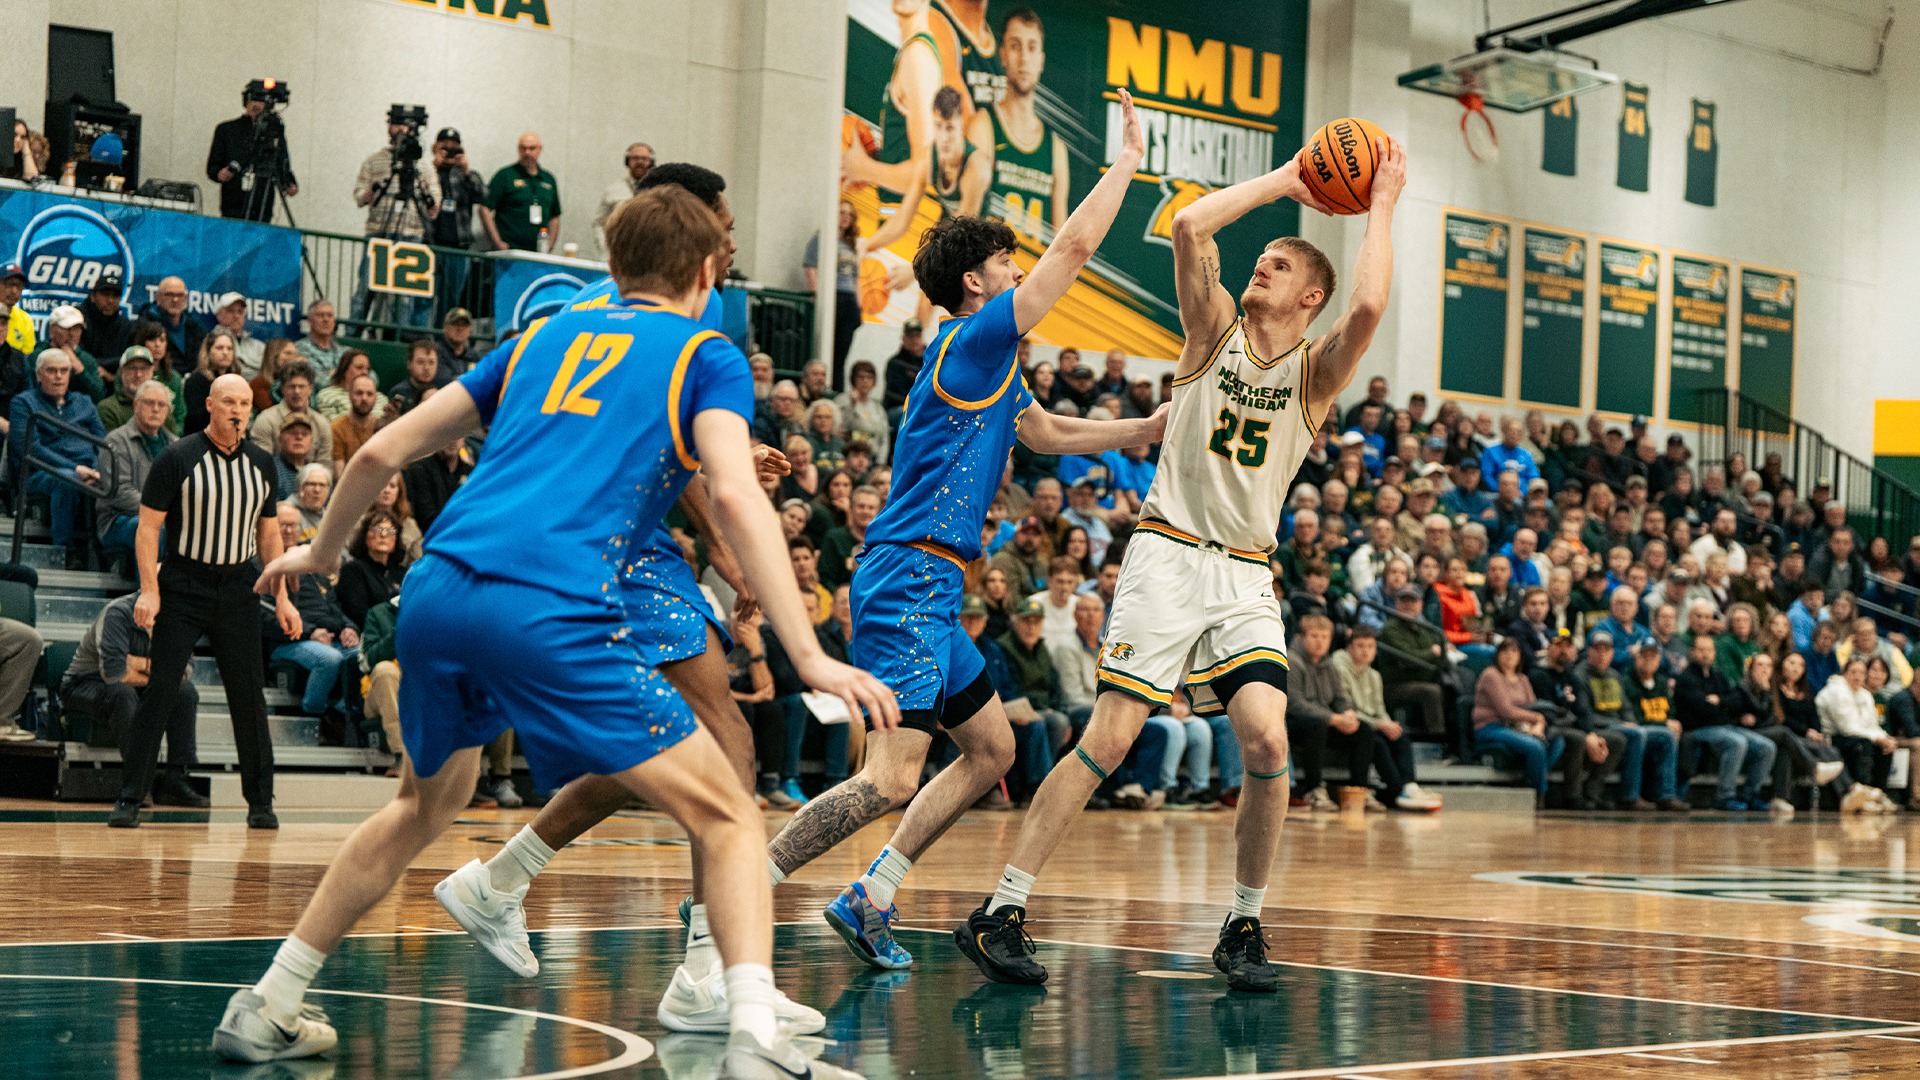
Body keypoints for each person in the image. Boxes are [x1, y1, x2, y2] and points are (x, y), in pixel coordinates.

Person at [212, 187, 891, 1077]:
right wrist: (808, 652)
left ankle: (271, 1001)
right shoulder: (706, 352)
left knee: (424, 803)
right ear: (704, 273)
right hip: (548, 603)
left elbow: (379, 452)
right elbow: (733, 493)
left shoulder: (539, 337)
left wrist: (321, 554)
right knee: (728, 810)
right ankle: (753, 1038)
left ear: (613, 268)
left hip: (439, 590)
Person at [955, 125, 1404, 992]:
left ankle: (1243, 924)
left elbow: (1372, 308)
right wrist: (1285, 180)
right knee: (1112, 737)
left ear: (1311, 296)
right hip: (1165, 553)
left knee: (1268, 741)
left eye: (1277, 265)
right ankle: (1002, 907)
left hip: (1243, 573)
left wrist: (1380, 202)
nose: (1259, 270)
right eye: (1261, 260)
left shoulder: (1313, 377)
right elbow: (1192, 228)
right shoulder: (1212, 333)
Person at [756, 94, 1164, 981]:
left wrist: (1139, 431)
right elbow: (1076, 249)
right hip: (908, 577)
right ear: (977, 283)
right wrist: (1127, 164)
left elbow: (1046, 435)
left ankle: (873, 892)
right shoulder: (973, 341)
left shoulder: (996, 370)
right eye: (1007, 266)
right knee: (893, 775)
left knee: (993, 750)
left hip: (935, 590)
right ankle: (742, 884)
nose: (1023, 275)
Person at [111, 374, 294, 830]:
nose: (237, 410)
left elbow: (269, 533)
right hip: (184, 583)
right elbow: (149, 527)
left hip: (238, 587)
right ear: (210, 405)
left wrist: (283, 595)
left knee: (248, 696)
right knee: (161, 690)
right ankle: (131, 795)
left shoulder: (263, 463)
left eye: (245, 403)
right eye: (229, 401)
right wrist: (150, 589)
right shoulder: (178, 456)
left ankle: (260, 802)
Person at [61, 592, 201, 801]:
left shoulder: (179, 618)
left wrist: (141, 664)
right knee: (123, 693)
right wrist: (162, 671)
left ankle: (177, 778)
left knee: (186, 693)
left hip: (135, 682)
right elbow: (115, 673)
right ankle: (137, 783)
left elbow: (183, 672)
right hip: (85, 682)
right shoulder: (118, 613)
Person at [10, 350, 107, 567]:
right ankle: (64, 551)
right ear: (38, 375)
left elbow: (103, 442)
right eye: (51, 371)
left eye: (64, 371)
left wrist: (97, 469)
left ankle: (105, 553)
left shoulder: (84, 402)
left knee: (117, 480)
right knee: (67, 478)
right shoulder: (23, 403)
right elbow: (30, 448)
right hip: (40, 472)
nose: (58, 376)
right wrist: (76, 468)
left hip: (89, 469)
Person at [1673, 635, 1775, 811]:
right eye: (1701, 649)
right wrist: (1721, 704)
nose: (1706, 654)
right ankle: (1724, 796)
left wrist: (1719, 701)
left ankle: (1750, 794)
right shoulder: (1686, 679)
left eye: (1710, 650)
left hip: (1724, 726)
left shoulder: (1718, 676)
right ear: (1692, 652)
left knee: (1766, 746)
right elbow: (1702, 708)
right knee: (1736, 742)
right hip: (1698, 729)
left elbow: (1736, 701)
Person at [1474, 637, 1563, 802]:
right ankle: (1539, 795)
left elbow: (1533, 706)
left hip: (1518, 727)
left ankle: (1526, 781)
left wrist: (1537, 725)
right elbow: (1505, 711)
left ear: (1520, 656)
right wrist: (1537, 719)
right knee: (1535, 746)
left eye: (1514, 651)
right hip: (1491, 727)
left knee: (1557, 741)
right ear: (1497, 654)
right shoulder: (1491, 675)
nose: (1509, 655)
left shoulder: (1523, 679)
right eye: (1505, 650)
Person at [96, 380, 177, 555]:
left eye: (161, 405)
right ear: (136, 405)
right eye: (149, 403)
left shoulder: (176, 445)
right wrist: (162, 512)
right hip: (119, 519)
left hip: (164, 518)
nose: (155, 409)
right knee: (151, 529)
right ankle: (148, 583)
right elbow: (120, 493)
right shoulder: (116, 441)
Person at [1818, 657, 1901, 812]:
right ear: (1844, 673)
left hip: (1856, 737)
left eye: (1861, 673)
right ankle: (1863, 796)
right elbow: (1847, 728)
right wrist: (1876, 738)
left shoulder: (1864, 694)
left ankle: (1877, 794)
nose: (1857, 676)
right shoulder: (1836, 691)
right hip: (1832, 739)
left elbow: (1872, 725)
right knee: (1865, 745)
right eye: (1853, 672)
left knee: (1886, 748)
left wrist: (1885, 738)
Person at [206, 85, 297, 221]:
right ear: (246, 103)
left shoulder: (274, 132)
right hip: (234, 204)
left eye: (262, 102)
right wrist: (220, 173)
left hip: (263, 204)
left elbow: (282, 162)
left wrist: (289, 183)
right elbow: (213, 166)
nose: (257, 105)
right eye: (254, 100)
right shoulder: (226, 129)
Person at [428, 128, 488, 320]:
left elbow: (484, 196)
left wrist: (467, 171)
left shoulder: (465, 175)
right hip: (430, 244)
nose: (450, 152)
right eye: (445, 147)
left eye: (455, 148)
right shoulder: (427, 172)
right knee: (425, 298)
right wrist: (434, 167)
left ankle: (441, 341)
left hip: (458, 247)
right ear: (435, 148)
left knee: (451, 300)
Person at [806, 200, 864, 371]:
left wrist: (859, 305)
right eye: (842, 213)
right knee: (827, 344)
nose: (846, 217)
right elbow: (810, 267)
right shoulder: (821, 239)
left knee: (843, 348)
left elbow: (856, 277)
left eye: (850, 214)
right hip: (833, 295)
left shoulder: (851, 245)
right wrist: (817, 295)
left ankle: (837, 384)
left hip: (849, 298)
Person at [480, 132, 560, 252]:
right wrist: (497, 242)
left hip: (537, 253)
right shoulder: (505, 175)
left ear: (540, 150)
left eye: (532, 148)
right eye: (523, 148)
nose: (527, 153)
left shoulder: (549, 179)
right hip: (509, 251)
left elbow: (555, 216)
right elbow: (484, 209)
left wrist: (550, 245)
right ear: (518, 149)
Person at [250, 360, 333, 468]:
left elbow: (325, 464)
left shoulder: (322, 423)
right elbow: (261, 464)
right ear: (282, 389)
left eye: (302, 386)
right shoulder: (265, 420)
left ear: (311, 389)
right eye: (291, 386)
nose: (297, 391)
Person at [593, 141, 653, 258]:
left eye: (644, 159)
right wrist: (605, 252)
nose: (640, 162)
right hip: (618, 255)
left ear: (651, 162)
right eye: (635, 158)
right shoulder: (613, 190)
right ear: (627, 161)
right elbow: (599, 223)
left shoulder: (659, 191)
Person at [137, 277, 207, 366]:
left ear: (186, 299)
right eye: (169, 295)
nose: (175, 300)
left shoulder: (196, 328)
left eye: (180, 295)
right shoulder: (142, 327)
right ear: (158, 298)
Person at [44, 304, 106, 401]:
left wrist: (80, 369)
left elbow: (99, 396)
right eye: (67, 328)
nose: (72, 334)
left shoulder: (86, 359)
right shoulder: (38, 355)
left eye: (77, 329)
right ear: (51, 330)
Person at [433, 308, 481, 384]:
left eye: (464, 325)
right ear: (445, 327)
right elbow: (444, 382)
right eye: (455, 324)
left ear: (470, 330)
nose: (460, 328)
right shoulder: (436, 352)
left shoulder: (475, 356)